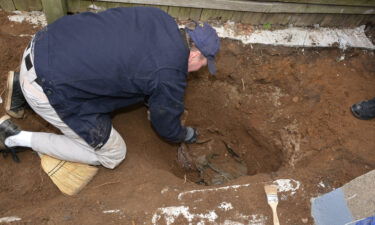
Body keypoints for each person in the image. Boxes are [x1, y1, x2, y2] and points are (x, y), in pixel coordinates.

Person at [0, 7, 220, 168]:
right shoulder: (168, 74)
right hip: (48, 86)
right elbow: (166, 126)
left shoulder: (160, 17)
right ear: (194, 54)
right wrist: (185, 134)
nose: (201, 69)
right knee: (113, 155)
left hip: (45, 43)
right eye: (203, 63)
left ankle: (22, 84)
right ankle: (14, 138)